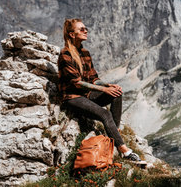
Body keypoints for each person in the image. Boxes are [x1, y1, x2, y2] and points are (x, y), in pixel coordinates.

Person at [58, 18, 144, 163]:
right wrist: (104, 89)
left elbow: (93, 78)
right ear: (72, 34)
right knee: (104, 113)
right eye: (81, 29)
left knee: (116, 94)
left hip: (86, 94)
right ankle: (125, 151)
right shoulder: (65, 54)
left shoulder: (85, 53)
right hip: (72, 97)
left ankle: (115, 136)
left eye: (86, 28)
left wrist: (109, 86)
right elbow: (77, 83)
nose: (86, 31)